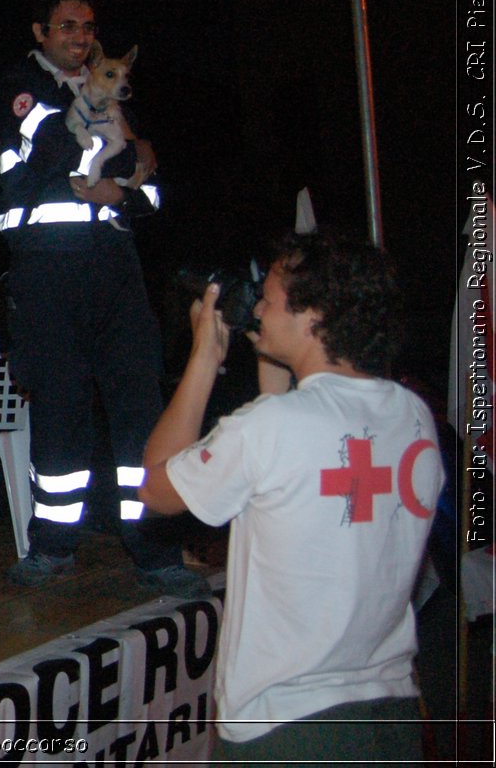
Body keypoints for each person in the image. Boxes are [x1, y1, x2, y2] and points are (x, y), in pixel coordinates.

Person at [139, 232, 442, 762]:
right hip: (389, 715)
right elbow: (295, 457)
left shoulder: (270, 428)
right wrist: (274, 357)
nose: (256, 307)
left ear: (314, 319)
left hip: (291, 731)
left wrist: (203, 358)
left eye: (269, 299)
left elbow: (157, 488)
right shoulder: (410, 414)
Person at [0, 0, 201, 595]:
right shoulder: (17, 88)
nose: (79, 36)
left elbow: (151, 187)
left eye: (88, 27)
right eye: (66, 26)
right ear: (41, 32)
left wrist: (123, 190)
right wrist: (129, 153)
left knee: (139, 405)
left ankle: (157, 551)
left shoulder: (114, 88)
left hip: (116, 266)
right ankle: (53, 546)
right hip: (47, 270)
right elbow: (58, 147)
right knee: (59, 407)